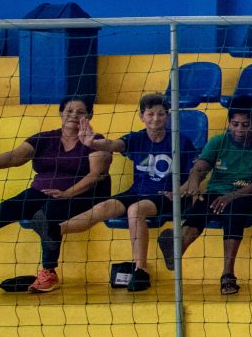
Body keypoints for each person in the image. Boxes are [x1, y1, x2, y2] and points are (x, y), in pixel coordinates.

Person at [26, 91, 198, 294]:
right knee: (104, 206)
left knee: (136, 210)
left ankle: (140, 270)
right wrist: (92, 143)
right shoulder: (137, 138)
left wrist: (182, 190)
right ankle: (54, 230)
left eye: (160, 114)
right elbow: (113, 144)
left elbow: (197, 171)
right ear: (141, 116)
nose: (155, 119)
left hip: (168, 195)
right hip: (138, 191)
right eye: (150, 114)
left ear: (167, 116)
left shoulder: (180, 141)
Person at [0, 96, 111, 294]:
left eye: (80, 112)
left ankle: (49, 272)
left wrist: (65, 194)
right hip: (42, 192)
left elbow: (95, 176)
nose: (73, 115)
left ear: (89, 115)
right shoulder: (44, 139)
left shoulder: (97, 141)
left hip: (82, 195)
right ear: (61, 113)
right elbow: (15, 156)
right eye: (69, 111)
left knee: (46, 215)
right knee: (9, 207)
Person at [166, 104, 252, 296]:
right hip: (216, 192)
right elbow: (199, 168)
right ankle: (175, 251)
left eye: (245, 125)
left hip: (246, 194)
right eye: (235, 124)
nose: (239, 130)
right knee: (200, 207)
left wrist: (231, 196)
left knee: (234, 213)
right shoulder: (218, 141)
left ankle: (228, 274)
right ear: (229, 123)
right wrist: (193, 182)